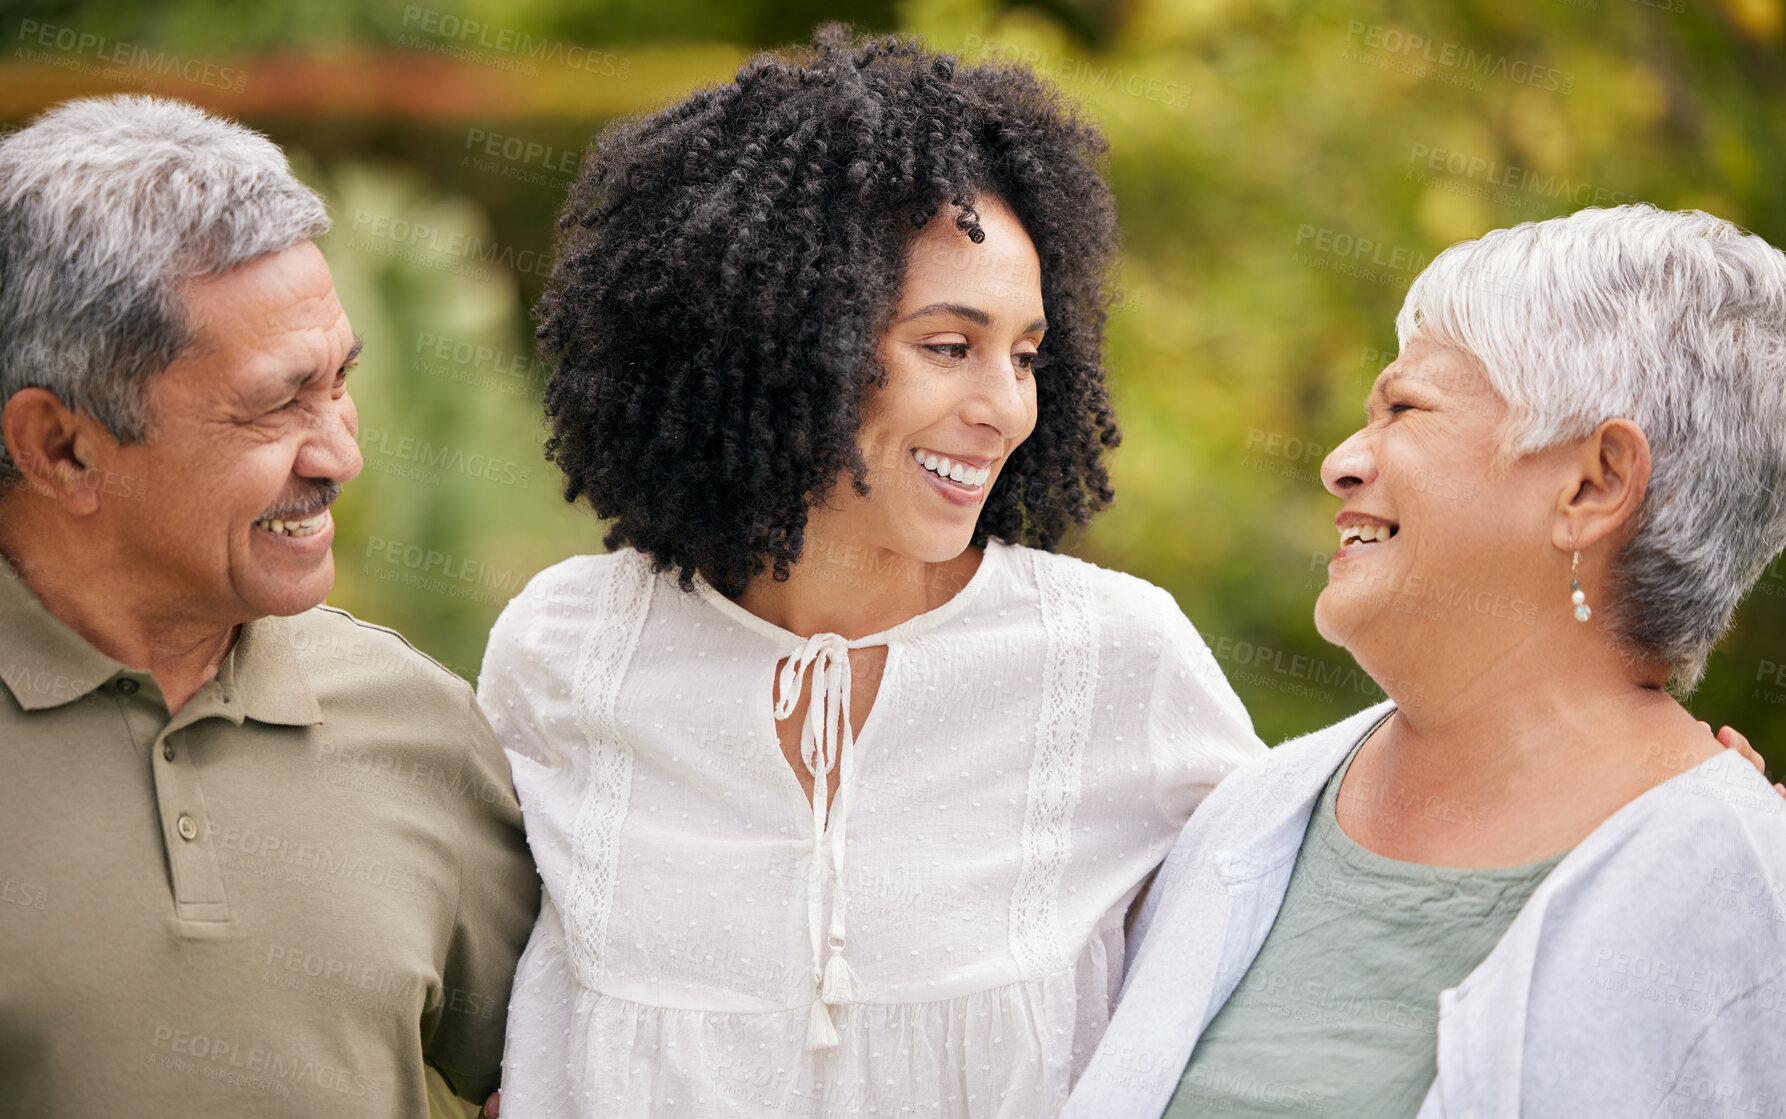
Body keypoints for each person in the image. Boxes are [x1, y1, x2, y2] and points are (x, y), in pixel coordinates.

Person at [475, 27, 1265, 1118]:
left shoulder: (1113, 659)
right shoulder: (566, 650)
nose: (1005, 408)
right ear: (780, 340)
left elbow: (1279, 1000)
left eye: (1027, 354)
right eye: (949, 346)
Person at [1064, 204, 1786, 1117]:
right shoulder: (1240, 816)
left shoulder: (1745, 897)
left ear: (1594, 482)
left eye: (1404, 408)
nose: (1339, 463)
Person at [0, 95, 538, 1117]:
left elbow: (569, 1075)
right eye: (275, 404)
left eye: (338, 384)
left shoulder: (418, 725)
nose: (342, 453)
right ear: (62, 448)